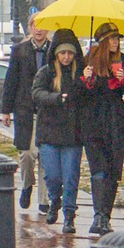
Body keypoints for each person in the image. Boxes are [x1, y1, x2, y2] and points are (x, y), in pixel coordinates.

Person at [76, 25, 124, 235]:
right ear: (102, 42)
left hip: (116, 121)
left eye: (117, 39)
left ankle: (105, 217)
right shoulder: (89, 60)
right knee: (98, 168)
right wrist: (86, 79)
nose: (115, 42)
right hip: (93, 121)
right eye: (111, 39)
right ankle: (98, 216)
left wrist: (123, 79)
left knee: (113, 170)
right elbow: (80, 94)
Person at [27, 30, 86, 227]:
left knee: (70, 177)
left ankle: (69, 215)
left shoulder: (80, 73)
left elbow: (88, 96)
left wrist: (88, 80)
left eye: (70, 54)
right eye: (63, 54)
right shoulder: (46, 72)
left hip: (73, 134)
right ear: (56, 54)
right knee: (52, 175)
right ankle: (55, 201)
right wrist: (56, 98)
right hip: (49, 132)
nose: (66, 57)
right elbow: (36, 93)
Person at [0, 19, 54, 212]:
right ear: (30, 28)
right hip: (24, 109)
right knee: (27, 153)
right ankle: (27, 185)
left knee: (45, 155)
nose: (39, 30)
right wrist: (6, 109)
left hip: (47, 110)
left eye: (42, 25)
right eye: (35, 26)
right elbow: (10, 81)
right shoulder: (20, 50)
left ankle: (44, 200)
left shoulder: (54, 50)